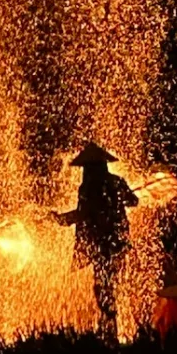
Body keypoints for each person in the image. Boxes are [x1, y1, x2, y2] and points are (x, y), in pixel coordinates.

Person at [52, 140, 138, 340]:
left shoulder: (88, 187)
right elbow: (133, 201)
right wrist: (124, 195)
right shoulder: (116, 182)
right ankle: (111, 326)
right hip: (117, 243)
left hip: (102, 244)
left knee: (103, 285)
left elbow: (84, 214)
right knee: (111, 283)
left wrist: (62, 219)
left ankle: (109, 328)